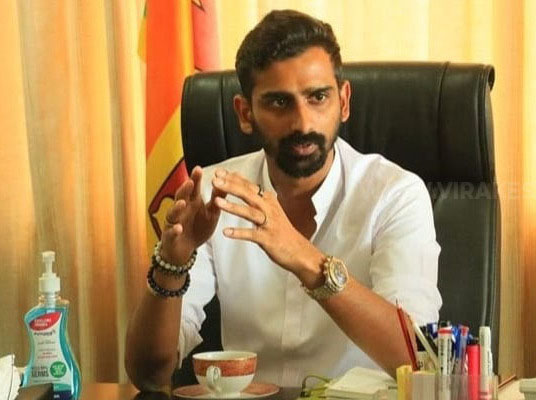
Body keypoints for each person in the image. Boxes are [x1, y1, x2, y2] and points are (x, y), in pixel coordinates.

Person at [125, 9, 442, 392]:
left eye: (318, 97)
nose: (303, 123)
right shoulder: (212, 193)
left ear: (343, 101)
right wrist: (171, 265)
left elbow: (418, 359)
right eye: (279, 103)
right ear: (245, 113)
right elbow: (149, 376)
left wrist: (304, 257)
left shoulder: (395, 194)